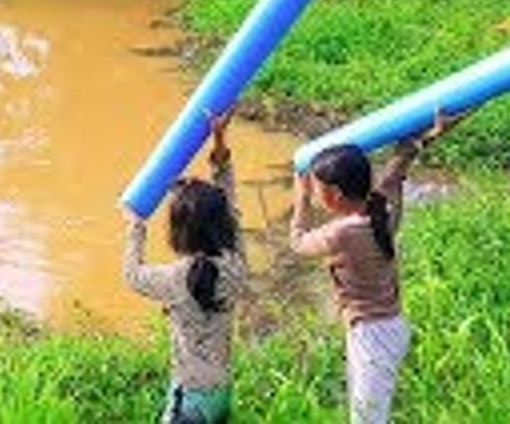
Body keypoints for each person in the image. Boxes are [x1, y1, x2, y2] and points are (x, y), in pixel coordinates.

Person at [290, 112, 467, 423]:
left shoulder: (343, 233)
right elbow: (398, 169)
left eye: (316, 187)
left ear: (335, 195)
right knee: (368, 411)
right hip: (387, 327)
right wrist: (430, 134)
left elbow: (298, 242)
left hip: (373, 336)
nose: (313, 191)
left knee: (368, 418)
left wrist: (300, 200)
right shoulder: (380, 212)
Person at [124, 109, 246, 423]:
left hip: (189, 397)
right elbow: (229, 205)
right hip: (220, 390)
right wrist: (219, 142)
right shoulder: (235, 262)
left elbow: (132, 275)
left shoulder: (175, 279)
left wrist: (136, 225)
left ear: (180, 233)